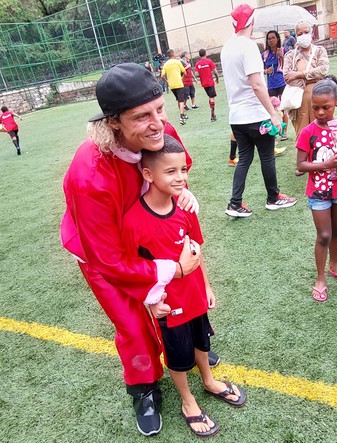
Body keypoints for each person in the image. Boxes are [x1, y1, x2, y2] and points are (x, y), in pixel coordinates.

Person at [59, 63, 219, 436]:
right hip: (101, 250)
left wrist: (181, 190)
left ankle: (185, 343)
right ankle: (143, 386)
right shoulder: (90, 173)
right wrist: (168, 273)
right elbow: (108, 259)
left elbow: (178, 166)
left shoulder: (160, 134)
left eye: (160, 109)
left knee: (176, 298)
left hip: (150, 231)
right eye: (142, 116)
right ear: (114, 122)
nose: (158, 123)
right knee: (132, 322)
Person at [122, 136, 247, 438]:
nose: (180, 178)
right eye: (171, 171)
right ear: (148, 175)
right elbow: (134, 270)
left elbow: (196, 250)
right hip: (168, 305)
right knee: (177, 356)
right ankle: (188, 401)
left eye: (183, 170)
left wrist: (206, 286)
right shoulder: (133, 221)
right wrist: (152, 303)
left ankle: (208, 380)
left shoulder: (186, 207)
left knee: (202, 342)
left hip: (195, 297)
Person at [221, 4, 298, 218]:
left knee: (244, 158)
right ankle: (273, 198)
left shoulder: (227, 48)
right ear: (252, 22)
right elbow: (256, 84)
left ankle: (235, 203)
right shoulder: (248, 47)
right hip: (255, 115)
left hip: (236, 117)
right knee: (267, 157)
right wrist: (273, 114)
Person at [295, 77, 337, 302]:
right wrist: (326, 165)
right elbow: (301, 165)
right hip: (319, 192)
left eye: (326, 107)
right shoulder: (307, 132)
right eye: (316, 108)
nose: (320, 112)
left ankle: (334, 266)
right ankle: (320, 277)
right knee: (324, 235)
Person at [283, 21, 330, 145]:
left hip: (319, 100)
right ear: (296, 36)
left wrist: (299, 74)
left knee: (321, 135)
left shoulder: (319, 51)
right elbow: (287, 77)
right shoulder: (290, 56)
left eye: (306, 32)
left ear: (312, 33)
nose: (303, 35)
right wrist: (314, 77)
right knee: (303, 137)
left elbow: (323, 70)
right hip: (298, 104)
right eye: (300, 33)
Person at [263, 30, 290, 141]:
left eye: (273, 38)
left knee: (283, 108)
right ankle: (273, 131)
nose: (271, 40)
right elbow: (260, 70)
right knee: (271, 109)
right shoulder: (264, 55)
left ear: (278, 39)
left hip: (282, 82)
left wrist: (282, 57)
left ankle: (284, 132)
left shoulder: (283, 51)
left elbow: (288, 66)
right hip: (271, 85)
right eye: (269, 38)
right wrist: (266, 71)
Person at [162, 50, 189, 125]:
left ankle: (183, 114)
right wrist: (181, 78)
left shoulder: (166, 64)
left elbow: (162, 76)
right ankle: (181, 116)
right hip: (179, 84)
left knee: (178, 99)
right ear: (173, 54)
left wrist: (167, 81)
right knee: (181, 100)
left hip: (172, 85)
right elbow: (185, 73)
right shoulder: (177, 62)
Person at [194, 48, 220, 122]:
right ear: (205, 54)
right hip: (210, 82)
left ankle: (213, 114)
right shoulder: (209, 61)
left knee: (210, 97)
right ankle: (212, 115)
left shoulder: (197, 64)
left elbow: (196, 74)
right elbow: (215, 71)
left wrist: (202, 74)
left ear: (199, 55)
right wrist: (217, 78)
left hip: (204, 84)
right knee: (212, 98)